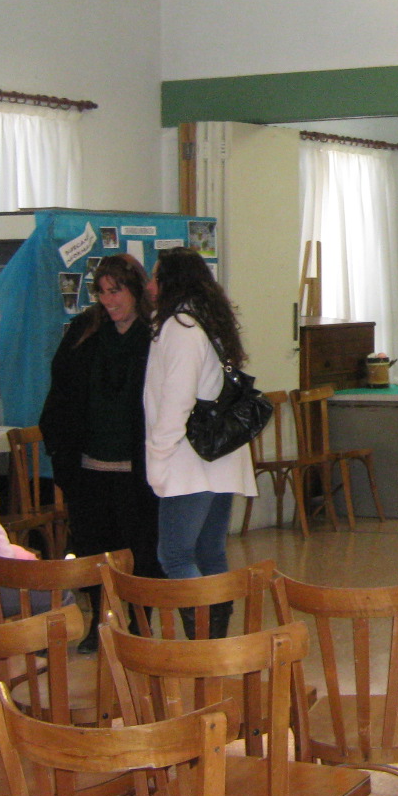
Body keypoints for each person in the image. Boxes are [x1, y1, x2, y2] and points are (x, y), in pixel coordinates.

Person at [39, 252, 162, 648]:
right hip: (89, 466)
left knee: (142, 552)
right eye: (103, 292)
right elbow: (61, 394)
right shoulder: (85, 330)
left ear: (135, 290)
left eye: (116, 291)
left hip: (138, 469)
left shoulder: (155, 334)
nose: (109, 301)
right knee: (93, 550)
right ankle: (98, 622)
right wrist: (60, 449)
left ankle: (140, 625)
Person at [144, 247, 257, 635]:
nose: (150, 286)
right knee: (209, 552)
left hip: (188, 460)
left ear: (172, 283)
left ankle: (203, 642)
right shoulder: (208, 321)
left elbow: (176, 400)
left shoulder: (181, 327)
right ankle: (216, 642)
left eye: (156, 277)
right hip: (219, 456)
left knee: (175, 555)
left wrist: (158, 458)